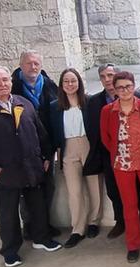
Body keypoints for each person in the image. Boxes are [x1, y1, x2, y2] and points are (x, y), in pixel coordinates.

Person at [0, 65, 62, 267]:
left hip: (31, 168)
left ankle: (41, 239)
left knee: (38, 206)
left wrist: (45, 156)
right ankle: (10, 251)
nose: (3, 84)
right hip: (4, 174)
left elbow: (40, 133)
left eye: (6, 80)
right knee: (7, 214)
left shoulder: (23, 103)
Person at [100, 71, 140, 262]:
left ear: (134, 86)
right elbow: (106, 138)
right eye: (120, 87)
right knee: (129, 206)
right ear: (115, 89)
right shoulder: (108, 111)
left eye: (128, 86)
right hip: (122, 164)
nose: (125, 90)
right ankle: (133, 244)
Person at [84, 64, 140, 239]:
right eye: (103, 76)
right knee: (114, 191)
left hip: (139, 155)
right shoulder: (94, 102)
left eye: (110, 75)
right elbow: (93, 130)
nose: (107, 79)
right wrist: (111, 151)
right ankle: (121, 222)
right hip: (111, 155)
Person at [49, 68, 103, 248]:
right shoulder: (54, 106)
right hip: (67, 148)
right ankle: (77, 229)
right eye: (66, 81)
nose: (70, 84)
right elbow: (53, 133)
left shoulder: (90, 102)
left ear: (79, 83)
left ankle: (94, 221)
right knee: (74, 191)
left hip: (88, 145)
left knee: (94, 185)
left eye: (73, 81)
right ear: (61, 85)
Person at [10, 50, 60, 238]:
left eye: (37, 63)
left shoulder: (49, 86)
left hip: (45, 148)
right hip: (21, 151)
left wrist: (49, 153)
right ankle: (30, 228)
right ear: (21, 65)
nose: (33, 67)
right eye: (29, 63)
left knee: (48, 187)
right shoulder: (12, 88)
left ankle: (44, 225)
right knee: (25, 191)